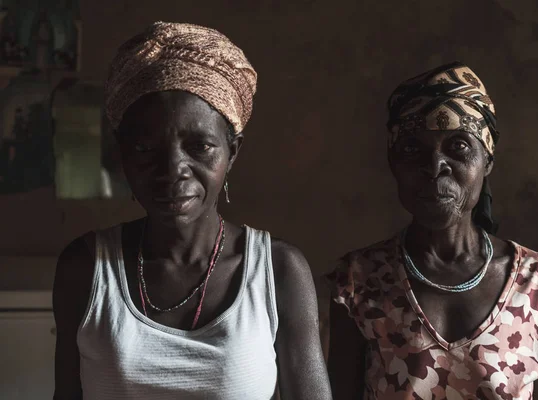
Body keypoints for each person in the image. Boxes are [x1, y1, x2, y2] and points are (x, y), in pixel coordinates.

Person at [53, 22, 331, 400]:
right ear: (122, 153)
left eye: (199, 146)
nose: (173, 170)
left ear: (232, 152)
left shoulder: (278, 270)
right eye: (146, 149)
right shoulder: (85, 268)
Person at [326, 62, 538, 399]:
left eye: (459, 146)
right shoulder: (359, 280)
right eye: (412, 149)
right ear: (394, 162)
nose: (435, 165)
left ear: (488, 160)